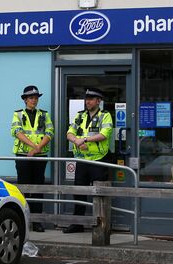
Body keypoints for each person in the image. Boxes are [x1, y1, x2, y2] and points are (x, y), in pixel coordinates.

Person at [64, 87, 113, 233]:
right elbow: (69, 133)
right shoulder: (80, 116)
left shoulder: (105, 115)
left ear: (99, 101)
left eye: (91, 99)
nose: (88, 102)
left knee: (99, 193)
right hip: (82, 160)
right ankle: (77, 223)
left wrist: (84, 139)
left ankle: (102, 226)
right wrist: (77, 141)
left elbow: (105, 134)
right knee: (79, 192)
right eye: (86, 99)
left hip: (99, 160)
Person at [11, 85, 54, 232]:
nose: (34, 100)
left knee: (37, 188)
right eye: (31, 98)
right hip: (23, 156)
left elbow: (50, 132)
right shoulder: (17, 114)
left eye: (36, 98)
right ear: (25, 100)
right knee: (24, 188)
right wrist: (33, 147)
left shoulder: (44, 114)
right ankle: (23, 220)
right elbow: (17, 132)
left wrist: (36, 149)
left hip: (39, 156)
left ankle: (36, 221)